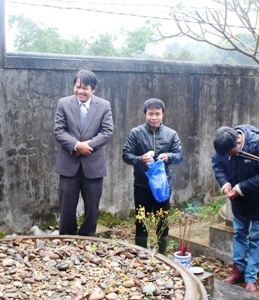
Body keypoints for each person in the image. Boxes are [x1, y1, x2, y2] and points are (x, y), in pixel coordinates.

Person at [54, 70, 114, 236]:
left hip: (93, 165)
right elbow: (59, 131)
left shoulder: (104, 105)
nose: (80, 91)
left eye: (85, 88)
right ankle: (67, 237)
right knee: (66, 205)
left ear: (93, 89)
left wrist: (87, 146)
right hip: (68, 164)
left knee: (92, 206)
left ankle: (88, 238)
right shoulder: (63, 103)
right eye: (77, 86)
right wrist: (76, 145)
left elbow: (107, 131)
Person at [212, 125, 259, 292]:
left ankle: (251, 277)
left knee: (257, 238)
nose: (229, 157)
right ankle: (238, 270)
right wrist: (225, 184)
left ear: (238, 142)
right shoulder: (223, 146)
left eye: (231, 153)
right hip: (238, 202)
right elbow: (217, 165)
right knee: (239, 234)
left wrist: (240, 188)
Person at [122, 98, 183, 254]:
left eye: (157, 114)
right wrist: (140, 159)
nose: (154, 117)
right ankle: (141, 253)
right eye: (150, 114)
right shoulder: (136, 133)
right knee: (141, 220)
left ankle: (161, 254)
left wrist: (168, 156)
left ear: (163, 114)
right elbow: (126, 155)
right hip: (142, 184)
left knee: (162, 219)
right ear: (145, 114)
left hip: (162, 185)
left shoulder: (171, 134)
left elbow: (179, 156)